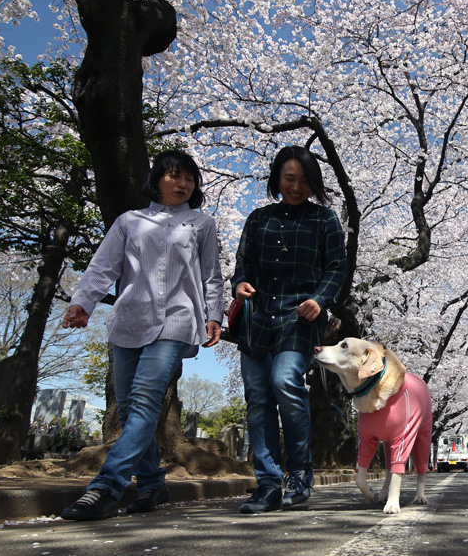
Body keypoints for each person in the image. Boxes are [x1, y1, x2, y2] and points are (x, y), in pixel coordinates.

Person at [59, 150, 224, 521]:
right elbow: (104, 266)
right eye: (173, 176)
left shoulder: (202, 224)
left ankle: (105, 488)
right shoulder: (129, 222)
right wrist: (83, 302)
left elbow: (211, 275)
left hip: (176, 320)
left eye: (189, 179)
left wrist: (215, 314)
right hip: (129, 320)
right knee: (132, 408)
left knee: (146, 400)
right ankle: (152, 482)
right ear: (156, 179)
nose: (182, 184)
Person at [232, 146, 347, 514]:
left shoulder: (324, 219)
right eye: (289, 179)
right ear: (277, 179)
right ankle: (267, 482)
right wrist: (240, 284)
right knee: (258, 396)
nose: (296, 187)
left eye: (303, 180)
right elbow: (243, 263)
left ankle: (299, 472)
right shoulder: (258, 218)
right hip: (258, 315)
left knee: (284, 381)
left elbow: (336, 268)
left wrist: (321, 299)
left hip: (301, 316)